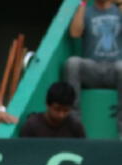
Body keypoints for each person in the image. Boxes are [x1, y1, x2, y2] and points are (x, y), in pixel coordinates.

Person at [65, 0, 122, 137]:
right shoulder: (86, 10)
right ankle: (74, 125)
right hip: (92, 68)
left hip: (115, 69)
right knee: (72, 63)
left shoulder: (118, 9)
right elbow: (75, 33)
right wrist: (82, 3)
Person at [19, 82, 86, 138]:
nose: (61, 115)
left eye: (66, 110)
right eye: (57, 109)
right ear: (47, 104)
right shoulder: (32, 126)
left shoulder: (75, 126)